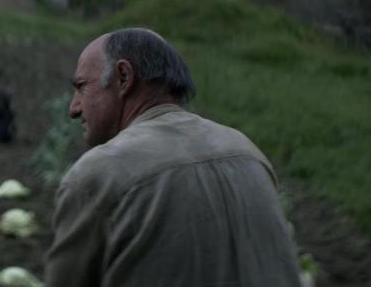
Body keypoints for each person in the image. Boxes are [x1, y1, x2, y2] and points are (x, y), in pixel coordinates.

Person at [45, 28, 302, 286]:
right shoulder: (248, 153)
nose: (73, 108)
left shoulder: (100, 173)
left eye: (81, 87)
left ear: (123, 77)